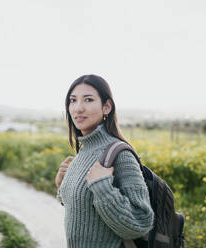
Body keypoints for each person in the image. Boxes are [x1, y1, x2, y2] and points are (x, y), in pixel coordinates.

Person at [55, 74, 154, 248]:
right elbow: (83, 212)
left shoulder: (120, 154)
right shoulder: (82, 152)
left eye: (88, 100)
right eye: (73, 100)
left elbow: (141, 223)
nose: (78, 108)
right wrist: (62, 187)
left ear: (106, 107)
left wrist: (102, 187)